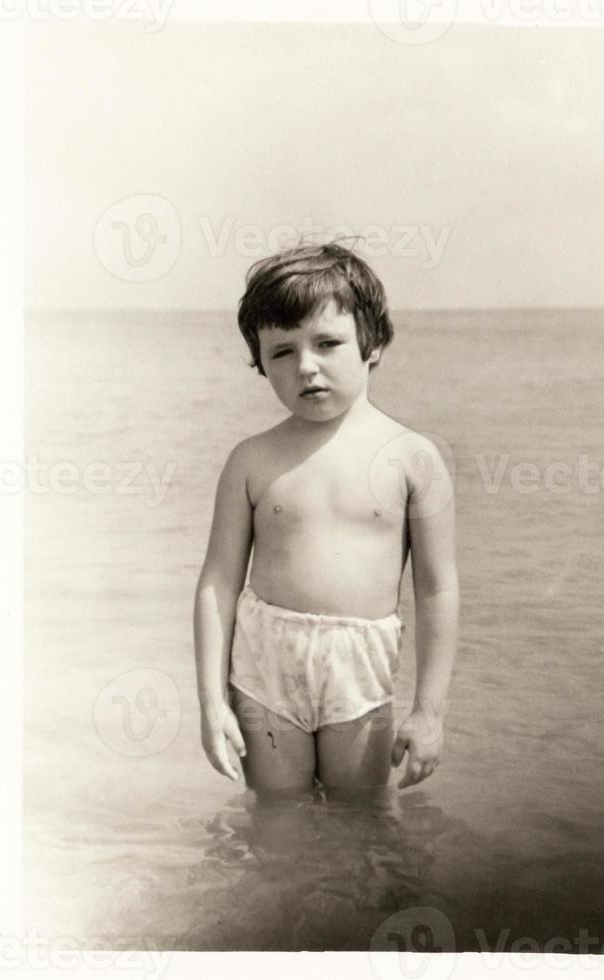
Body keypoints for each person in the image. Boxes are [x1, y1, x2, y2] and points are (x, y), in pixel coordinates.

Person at [193, 241, 459, 801]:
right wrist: (211, 703)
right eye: (282, 352)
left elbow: (437, 590)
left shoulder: (413, 458)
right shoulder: (251, 459)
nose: (306, 367)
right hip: (266, 663)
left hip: (359, 666)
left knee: (360, 821)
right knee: (277, 820)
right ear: (259, 362)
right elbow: (218, 581)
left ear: (374, 345)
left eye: (327, 344)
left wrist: (428, 713)